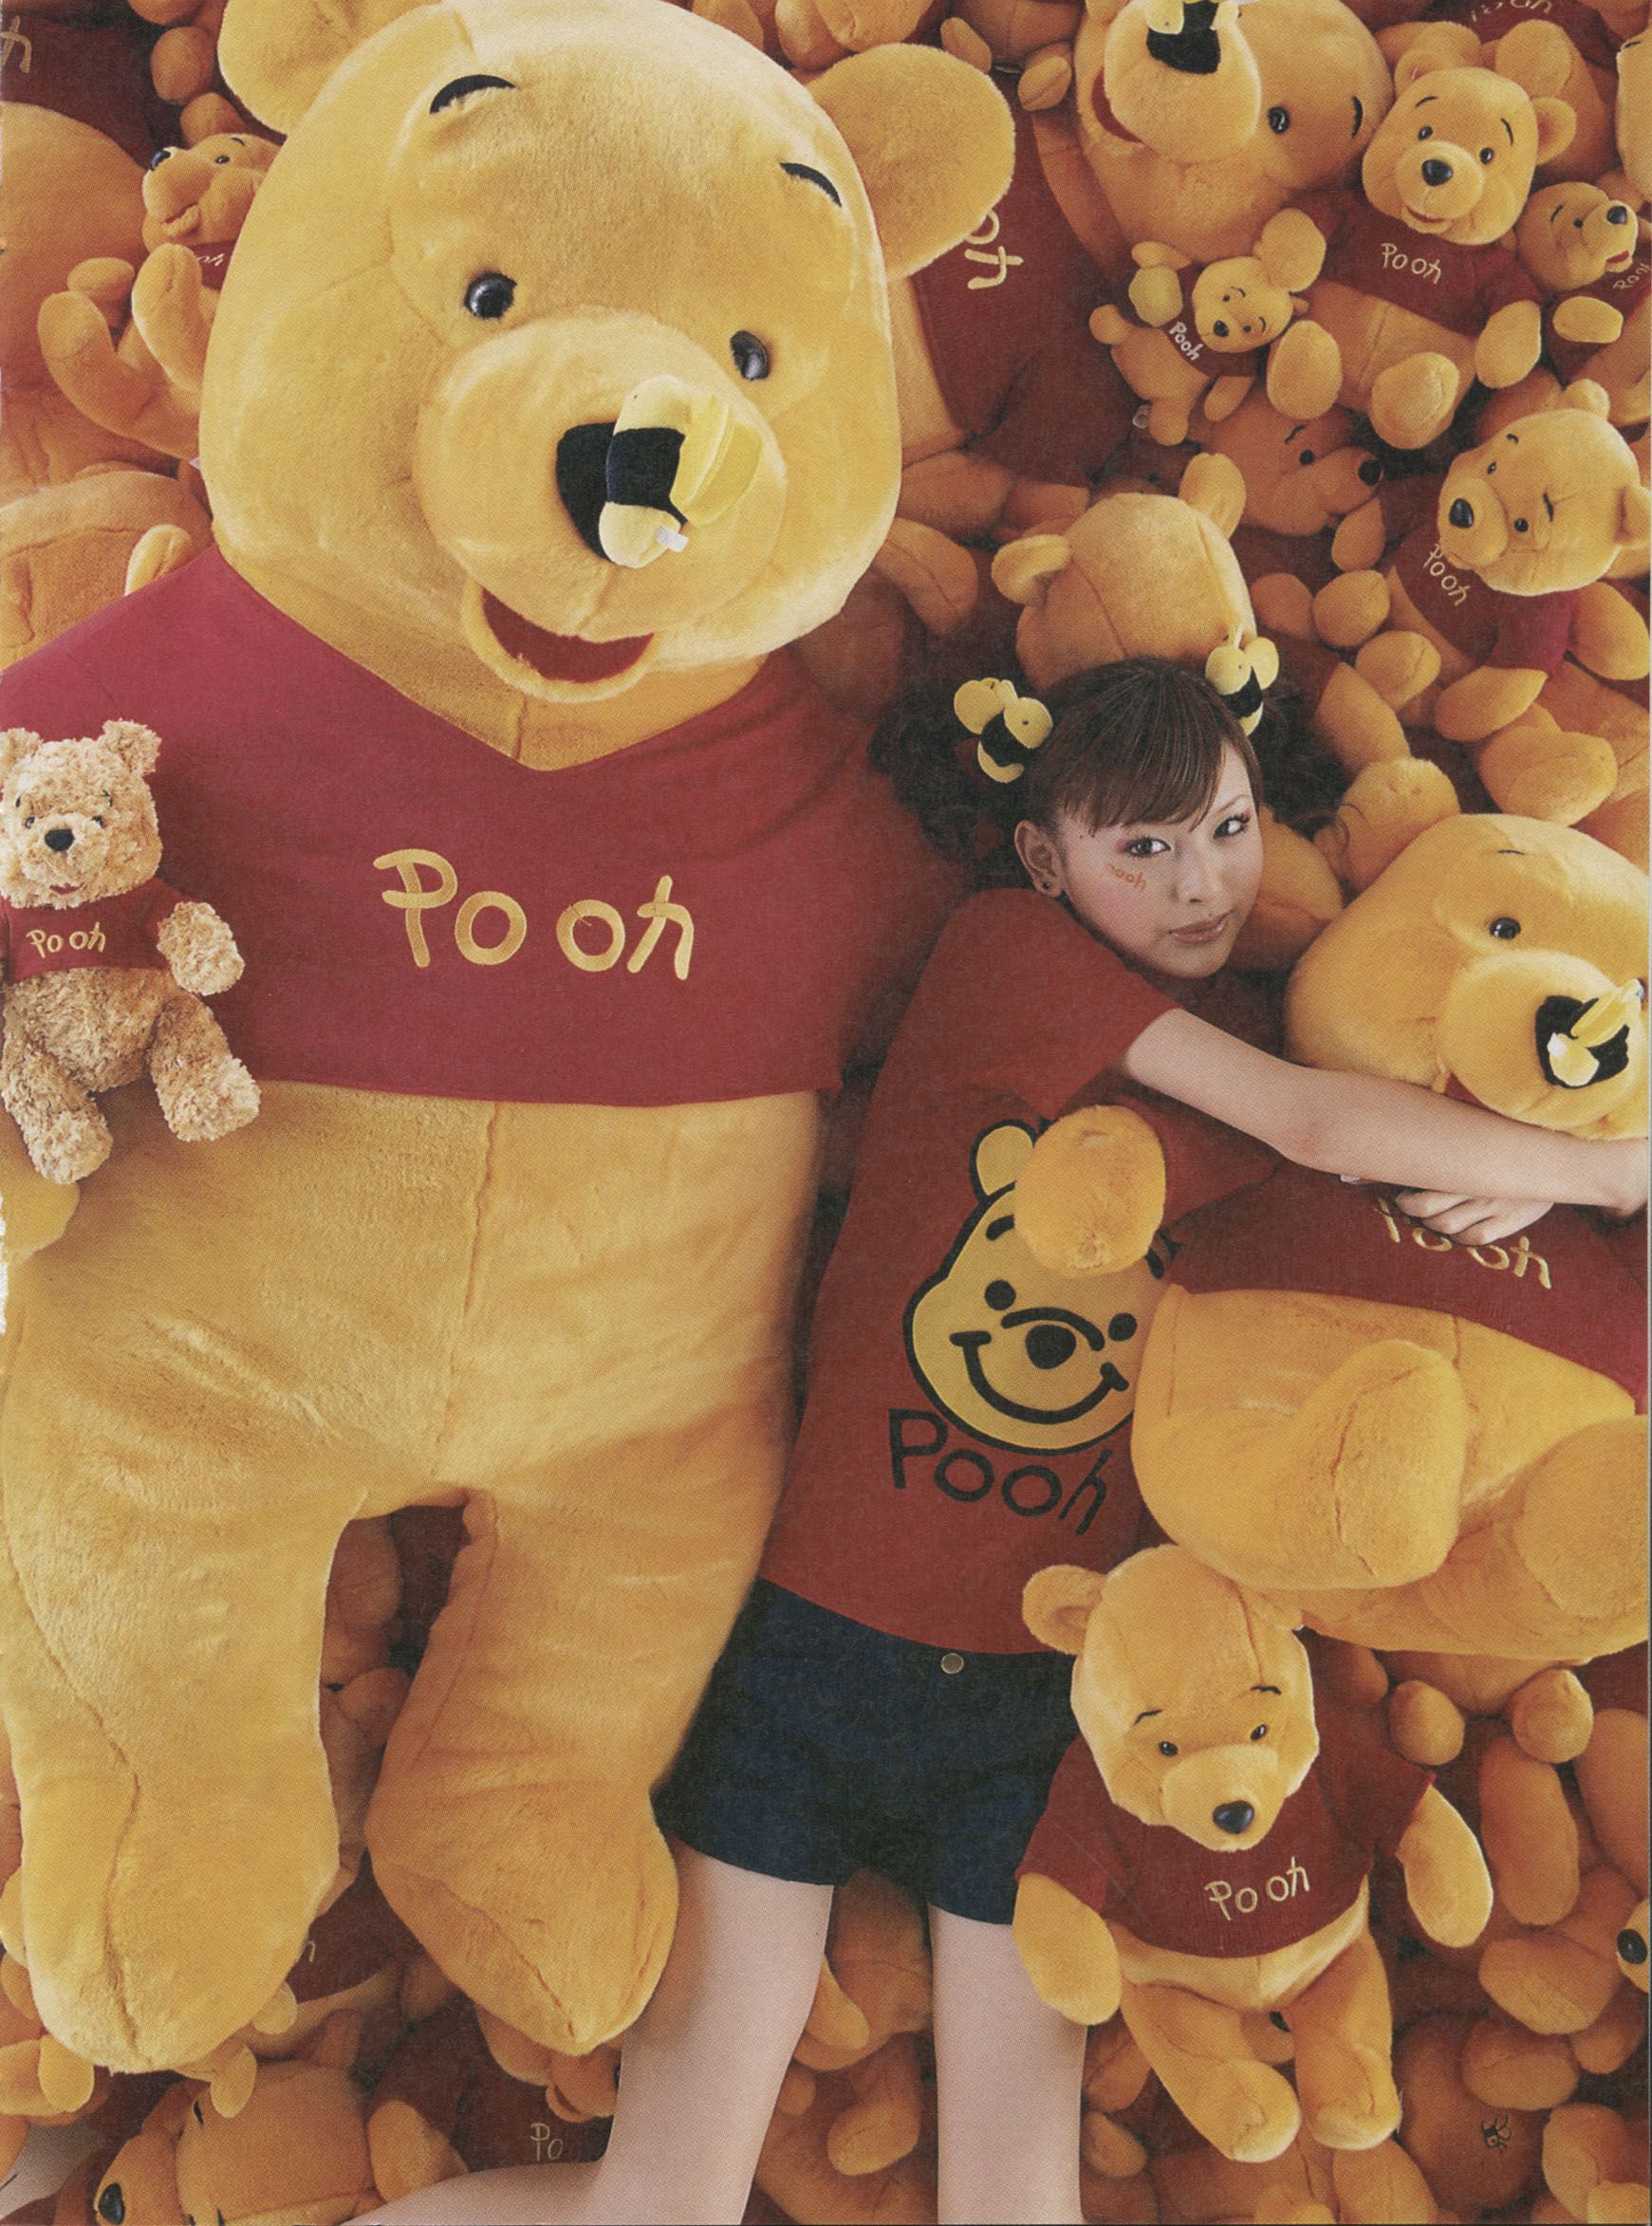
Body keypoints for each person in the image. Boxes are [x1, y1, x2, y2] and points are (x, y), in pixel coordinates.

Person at [363, 660, 1644, 2226]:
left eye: (1227, 827)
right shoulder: (1011, 955)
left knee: (1015, 2208)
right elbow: (1309, 1126)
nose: (1199, 883)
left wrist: (1542, 1164)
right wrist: (1611, 1171)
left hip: (1047, 1719)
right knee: (665, 2201)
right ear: (1045, 857)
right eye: (1141, 848)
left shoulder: (1293, 1022)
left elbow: (1407, 1177)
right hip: (815, 1659)